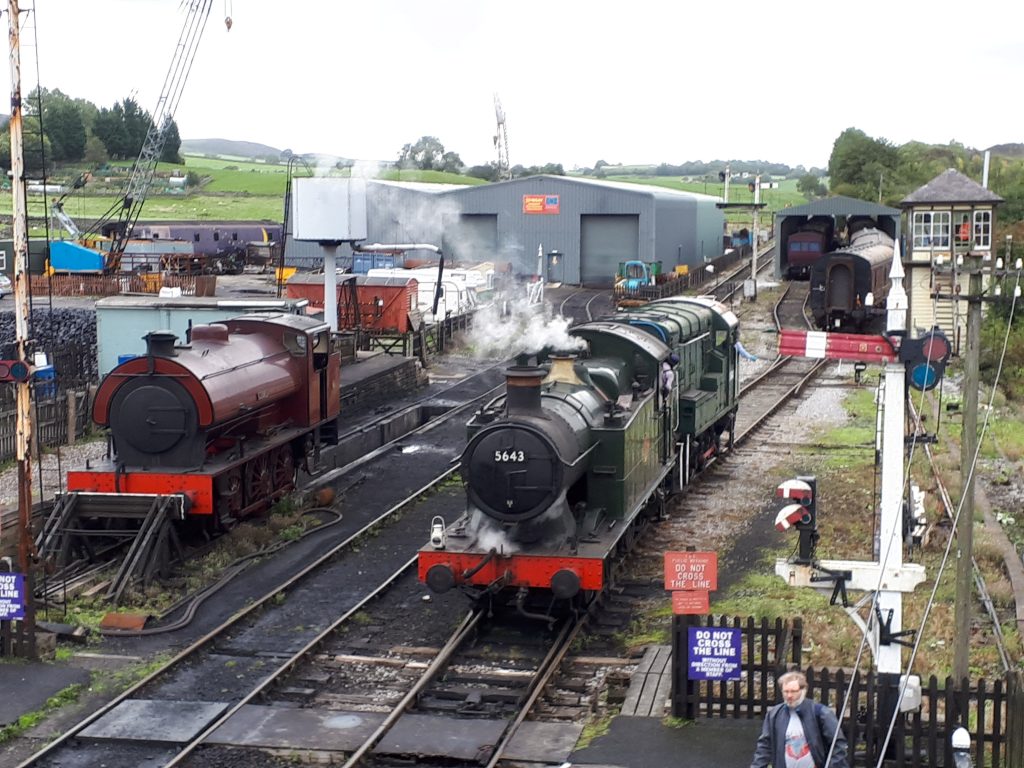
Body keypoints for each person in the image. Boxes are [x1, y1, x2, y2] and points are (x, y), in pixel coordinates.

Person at [750, 671, 849, 768]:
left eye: (793, 691)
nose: (789, 696)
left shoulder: (820, 712)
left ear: (803, 690)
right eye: (786, 691)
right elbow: (764, 747)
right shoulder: (774, 715)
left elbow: (838, 744)